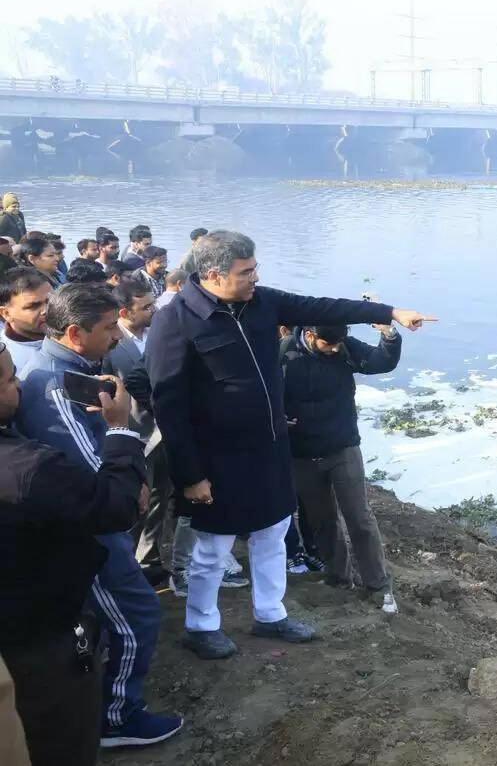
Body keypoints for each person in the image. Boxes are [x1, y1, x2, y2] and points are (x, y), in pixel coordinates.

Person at [147, 230, 432, 659]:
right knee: (213, 546)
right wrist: (190, 474)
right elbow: (167, 403)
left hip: (271, 447)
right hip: (218, 457)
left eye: (255, 268)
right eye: (246, 272)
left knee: (273, 533)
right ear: (213, 275)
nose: (255, 277)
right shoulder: (176, 320)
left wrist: (390, 311)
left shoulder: (263, 302)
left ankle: (270, 614)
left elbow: (326, 307)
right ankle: (200, 625)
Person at [15, 282, 183, 748]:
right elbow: (92, 476)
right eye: (109, 329)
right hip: (86, 535)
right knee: (138, 616)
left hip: (88, 525)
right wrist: (124, 435)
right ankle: (116, 715)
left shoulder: (71, 369)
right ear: (74, 332)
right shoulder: (50, 385)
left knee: (109, 619)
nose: (116, 337)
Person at [0, 344, 148, 765]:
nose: (20, 386)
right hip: (42, 637)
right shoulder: (28, 468)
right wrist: (120, 431)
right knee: (65, 742)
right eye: (10, 380)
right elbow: (114, 508)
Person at [282, 322, 402, 613]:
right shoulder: (283, 354)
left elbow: (380, 362)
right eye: (329, 344)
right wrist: (275, 417)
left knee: (360, 518)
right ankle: (338, 577)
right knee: (322, 520)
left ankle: (378, 586)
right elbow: (259, 388)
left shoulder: (344, 347)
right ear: (310, 335)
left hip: (343, 447)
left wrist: (389, 335)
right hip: (302, 453)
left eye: (339, 343)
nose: (335, 348)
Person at [104, 280, 169, 576]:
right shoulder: (111, 345)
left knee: (160, 499)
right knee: (134, 503)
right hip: (133, 436)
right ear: (124, 311)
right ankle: (124, 563)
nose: (153, 310)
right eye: (145, 307)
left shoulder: (158, 335)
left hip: (163, 434)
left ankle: (149, 558)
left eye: (153, 304)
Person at [0, 268, 51, 372]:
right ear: (6, 313)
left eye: (50, 301)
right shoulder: (9, 363)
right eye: (33, 306)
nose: (46, 310)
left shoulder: (69, 326)